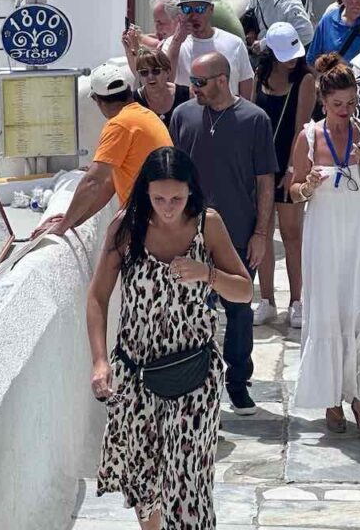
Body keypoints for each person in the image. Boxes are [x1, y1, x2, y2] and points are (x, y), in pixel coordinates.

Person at [88, 146, 253, 530]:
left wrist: (206, 274)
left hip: (194, 376)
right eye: (158, 197)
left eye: (176, 198)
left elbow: (244, 291)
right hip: (136, 375)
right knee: (144, 483)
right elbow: (97, 298)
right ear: (145, 191)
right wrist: (99, 360)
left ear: (190, 191)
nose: (167, 206)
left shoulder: (207, 224)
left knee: (188, 485)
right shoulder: (126, 229)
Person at [289, 52, 360, 437]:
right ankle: (332, 399)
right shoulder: (309, 136)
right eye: (337, 105)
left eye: (350, 103)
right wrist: (309, 185)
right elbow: (294, 191)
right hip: (323, 240)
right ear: (323, 102)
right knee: (328, 314)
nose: (345, 111)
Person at [170, 52, 278, 412]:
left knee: (239, 310)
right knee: (190, 308)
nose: (193, 88)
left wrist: (261, 233)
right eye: (192, 81)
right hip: (190, 233)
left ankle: (237, 381)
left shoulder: (255, 119)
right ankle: (194, 382)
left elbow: (265, 182)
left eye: (199, 81)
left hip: (238, 230)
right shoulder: (183, 116)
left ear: (221, 80)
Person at [32, 62, 172, 239]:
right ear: (128, 90)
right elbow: (109, 184)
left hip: (149, 224)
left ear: (97, 100)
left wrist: (61, 227)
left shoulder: (119, 124)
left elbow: (93, 182)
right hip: (164, 219)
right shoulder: (145, 115)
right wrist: (73, 220)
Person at [251, 23, 316, 328]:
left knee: (292, 235)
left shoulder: (304, 79)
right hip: (261, 164)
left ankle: (296, 301)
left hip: (289, 161)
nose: (291, 59)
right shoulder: (260, 76)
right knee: (261, 231)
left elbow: (301, 126)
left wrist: (292, 169)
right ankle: (265, 299)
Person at [165, 0, 254, 96]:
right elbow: (165, 82)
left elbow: (246, 83)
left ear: (211, 9)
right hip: (190, 110)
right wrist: (177, 41)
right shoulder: (171, 44)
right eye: (187, 9)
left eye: (200, 9)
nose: (193, 16)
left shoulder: (234, 43)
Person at [132, 47, 190, 128]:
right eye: (144, 72)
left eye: (156, 71)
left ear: (168, 71)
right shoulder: (133, 101)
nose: (150, 76)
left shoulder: (187, 95)